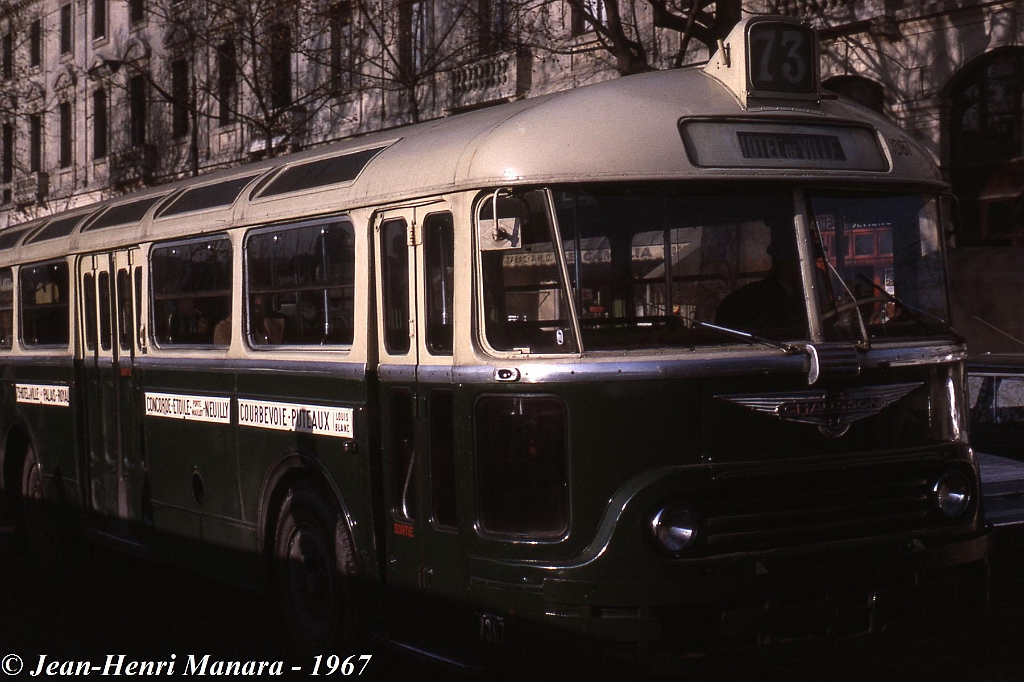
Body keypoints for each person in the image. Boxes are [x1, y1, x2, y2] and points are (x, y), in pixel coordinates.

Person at [715, 233, 807, 332]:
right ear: (785, 263)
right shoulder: (746, 301)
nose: (811, 268)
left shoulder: (811, 294)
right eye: (804, 262)